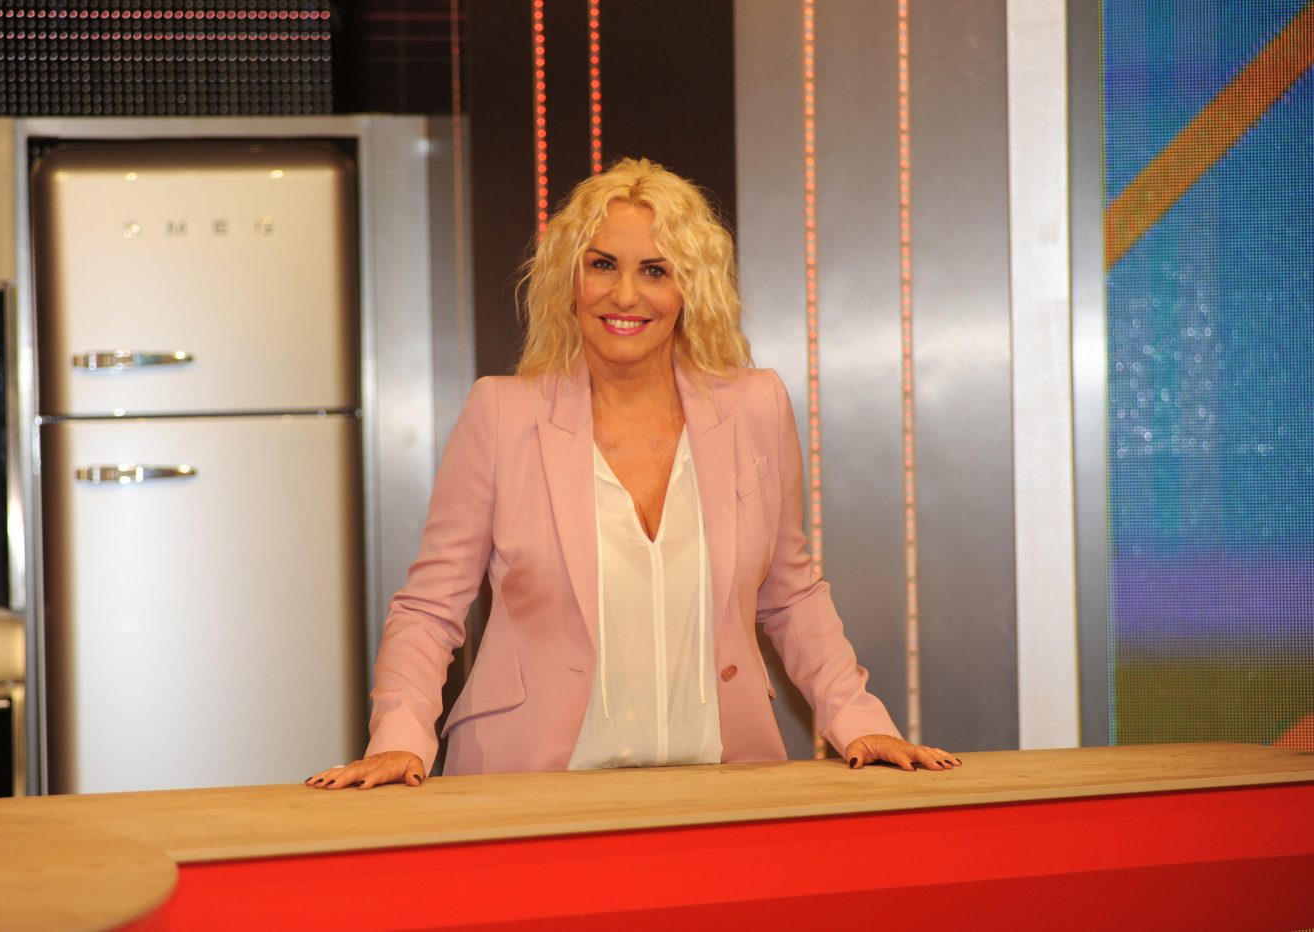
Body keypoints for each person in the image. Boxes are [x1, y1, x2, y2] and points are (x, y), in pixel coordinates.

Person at [307, 158, 959, 790]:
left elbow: (790, 594)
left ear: (689, 288)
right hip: (529, 785)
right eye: (602, 265)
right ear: (570, 279)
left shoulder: (755, 406)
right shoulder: (501, 413)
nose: (625, 295)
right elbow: (430, 608)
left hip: (723, 783)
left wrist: (859, 722)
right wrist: (398, 738)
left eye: (655, 270)